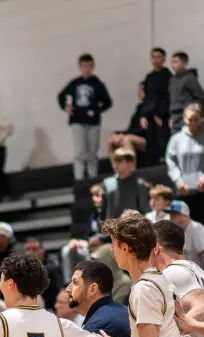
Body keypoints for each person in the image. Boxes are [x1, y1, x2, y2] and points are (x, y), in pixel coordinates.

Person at [57, 53, 113, 181]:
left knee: (92, 152)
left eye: (89, 66)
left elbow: (108, 102)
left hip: (93, 122)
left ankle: (93, 178)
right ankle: (79, 179)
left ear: (93, 66)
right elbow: (61, 96)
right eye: (84, 66)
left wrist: (97, 110)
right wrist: (66, 107)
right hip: (77, 120)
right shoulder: (74, 83)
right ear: (80, 67)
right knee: (80, 152)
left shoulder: (98, 84)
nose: (87, 69)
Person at [165, 104, 204, 207]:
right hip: (184, 190)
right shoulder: (176, 139)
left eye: (196, 119)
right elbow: (171, 161)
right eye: (190, 120)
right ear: (184, 119)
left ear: (200, 118)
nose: (192, 123)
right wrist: (178, 181)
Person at [139, 47, 172, 160]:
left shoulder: (168, 76)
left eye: (158, 57)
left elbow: (167, 97)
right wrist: (143, 115)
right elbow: (147, 99)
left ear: (164, 59)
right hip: (150, 115)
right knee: (151, 145)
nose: (156, 60)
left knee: (163, 143)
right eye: (153, 57)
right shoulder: (149, 77)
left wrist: (160, 114)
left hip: (163, 116)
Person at [101, 148, 150, 219]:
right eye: (117, 160)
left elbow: (145, 209)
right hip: (112, 224)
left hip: (132, 224)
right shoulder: (107, 183)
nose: (126, 164)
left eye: (129, 160)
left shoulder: (139, 184)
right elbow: (103, 210)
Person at [167, 51, 204, 131]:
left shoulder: (189, 78)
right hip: (174, 116)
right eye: (172, 62)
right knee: (175, 138)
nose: (173, 65)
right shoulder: (172, 79)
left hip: (186, 116)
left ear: (184, 64)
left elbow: (202, 98)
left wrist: (192, 107)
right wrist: (171, 117)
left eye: (176, 62)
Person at [167, 200, 204, 273]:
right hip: (185, 273)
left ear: (185, 215)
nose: (171, 218)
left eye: (175, 214)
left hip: (199, 274)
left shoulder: (196, 228)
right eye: (170, 215)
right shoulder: (176, 232)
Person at [107, 83, 149, 158]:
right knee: (112, 138)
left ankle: (130, 165)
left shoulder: (150, 108)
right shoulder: (139, 107)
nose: (139, 92)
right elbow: (132, 126)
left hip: (146, 138)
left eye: (141, 90)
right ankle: (115, 164)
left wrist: (125, 135)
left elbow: (144, 129)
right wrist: (121, 134)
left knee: (126, 139)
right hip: (133, 134)